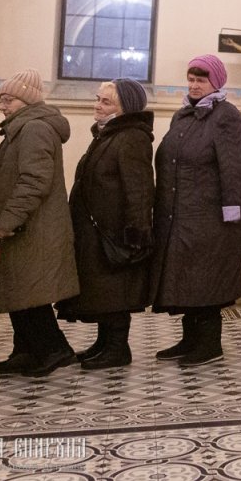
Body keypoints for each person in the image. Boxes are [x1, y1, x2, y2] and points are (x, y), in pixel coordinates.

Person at [150, 55, 241, 367]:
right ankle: (190, 339)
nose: (195, 86)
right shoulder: (183, 116)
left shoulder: (227, 116)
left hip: (212, 219)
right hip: (181, 217)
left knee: (206, 280)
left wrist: (234, 215)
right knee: (186, 280)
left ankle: (209, 344)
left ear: (216, 82)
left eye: (201, 80)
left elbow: (237, 167)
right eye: (191, 79)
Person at [0, 69, 79, 377]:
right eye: (0, 99)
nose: (3, 105)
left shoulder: (35, 129)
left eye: (8, 99)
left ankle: (54, 351)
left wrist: (7, 220)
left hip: (31, 228)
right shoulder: (22, 127)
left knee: (29, 295)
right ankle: (25, 351)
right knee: (19, 294)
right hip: (26, 227)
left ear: (25, 100)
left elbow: (34, 180)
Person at [59, 79, 154, 370]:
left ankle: (117, 348)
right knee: (102, 291)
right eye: (97, 99)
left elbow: (139, 188)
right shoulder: (108, 134)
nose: (97, 106)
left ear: (125, 108)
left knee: (115, 291)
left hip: (115, 233)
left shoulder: (131, 137)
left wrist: (135, 232)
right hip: (97, 230)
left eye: (106, 102)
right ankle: (104, 343)